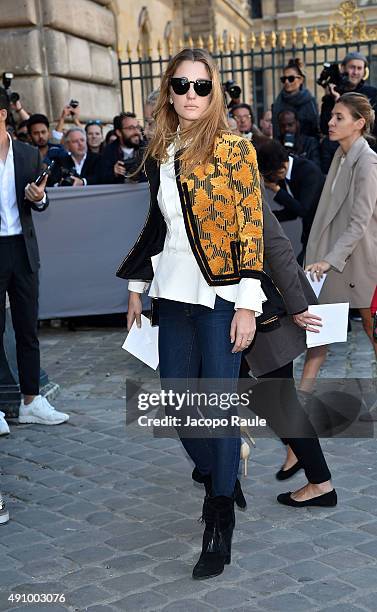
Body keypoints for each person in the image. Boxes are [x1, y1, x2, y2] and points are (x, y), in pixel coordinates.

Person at [117, 48, 264, 580]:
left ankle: (218, 517)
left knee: (217, 409)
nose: (191, 95)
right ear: (168, 91)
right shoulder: (162, 149)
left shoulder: (234, 149)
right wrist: (137, 285)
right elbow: (156, 224)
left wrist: (247, 304)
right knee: (179, 402)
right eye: (181, 85)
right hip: (172, 293)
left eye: (202, 86)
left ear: (216, 90)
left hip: (222, 294)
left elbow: (251, 227)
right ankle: (220, 469)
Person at [239, 198, 336, 507]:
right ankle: (297, 447)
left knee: (275, 397)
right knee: (263, 395)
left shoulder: (241, 180)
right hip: (245, 310)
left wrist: (297, 306)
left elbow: (278, 246)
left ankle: (320, 481)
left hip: (267, 311)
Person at [0, 88, 69, 432]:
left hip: (23, 251)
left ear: (2, 115)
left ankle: (31, 401)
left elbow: (41, 203)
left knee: (28, 329)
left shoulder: (27, 154)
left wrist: (38, 198)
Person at [303, 92, 377, 386]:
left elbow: (360, 222)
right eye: (332, 116)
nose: (331, 122)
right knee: (318, 336)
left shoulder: (367, 163)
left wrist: (329, 259)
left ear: (359, 123)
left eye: (339, 118)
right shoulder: (341, 155)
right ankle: (302, 400)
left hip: (361, 264)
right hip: (333, 262)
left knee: (373, 335)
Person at [257, 139, 324, 264]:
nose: (273, 180)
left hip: (322, 234)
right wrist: (263, 218)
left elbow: (303, 209)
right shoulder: (283, 174)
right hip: (309, 235)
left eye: (273, 176)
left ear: (282, 168)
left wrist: (275, 189)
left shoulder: (308, 171)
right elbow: (292, 212)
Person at [319, 52, 377, 173]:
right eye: (352, 67)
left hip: (367, 149)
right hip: (338, 153)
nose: (355, 72)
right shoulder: (333, 93)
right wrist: (332, 99)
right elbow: (325, 127)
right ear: (343, 68)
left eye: (359, 68)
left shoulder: (372, 93)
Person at [272, 58, 319, 140]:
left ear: (301, 80)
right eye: (284, 79)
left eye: (291, 79)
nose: (287, 82)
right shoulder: (278, 103)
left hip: (307, 146)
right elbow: (276, 131)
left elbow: (315, 128)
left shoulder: (309, 101)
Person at [100, 112, 145, 183]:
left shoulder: (147, 149)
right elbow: (100, 179)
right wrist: (113, 172)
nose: (136, 131)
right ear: (119, 132)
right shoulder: (108, 151)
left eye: (137, 127)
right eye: (131, 128)